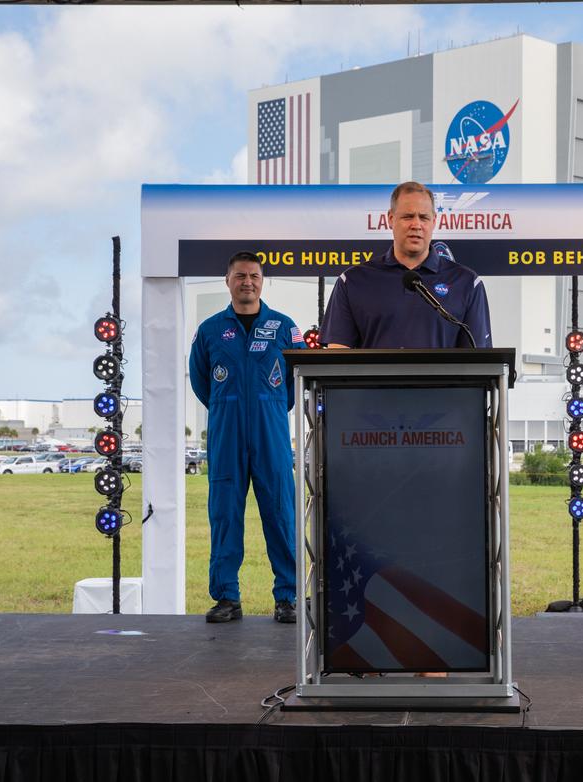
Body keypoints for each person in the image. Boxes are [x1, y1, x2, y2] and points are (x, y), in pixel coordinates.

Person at [189, 251, 305, 624]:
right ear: (228, 281)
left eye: (254, 276)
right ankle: (227, 597)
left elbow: (297, 379)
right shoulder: (209, 330)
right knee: (224, 514)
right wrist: (230, 407)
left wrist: (270, 405)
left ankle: (287, 597)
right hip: (226, 435)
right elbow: (200, 380)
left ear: (262, 281)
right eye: (240, 276)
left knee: (281, 514)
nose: (247, 282)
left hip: (270, 433)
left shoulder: (284, 327)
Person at [320, 181, 492, 349]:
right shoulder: (352, 281)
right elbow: (338, 357)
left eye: (424, 217)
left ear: (434, 221)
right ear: (390, 219)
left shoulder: (467, 283)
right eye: (408, 216)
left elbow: (477, 362)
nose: (416, 225)